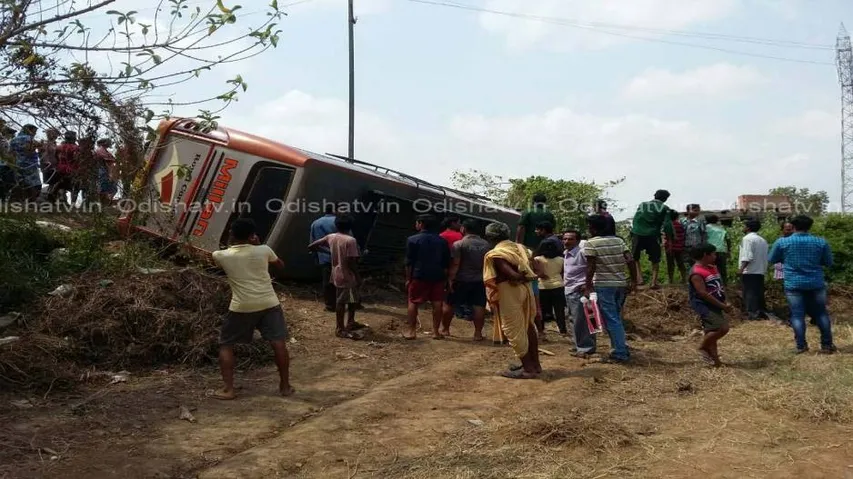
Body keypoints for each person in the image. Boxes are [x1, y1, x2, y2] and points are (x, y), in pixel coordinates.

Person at [211, 219, 293, 400]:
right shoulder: (264, 250)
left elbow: (221, 265)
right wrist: (257, 246)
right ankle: (285, 386)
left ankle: (229, 389)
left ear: (231, 235)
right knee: (278, 343)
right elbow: (280, 266)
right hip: (269, 303)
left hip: (241, 306)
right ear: (252, 236)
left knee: (226, 344)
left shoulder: (220, 255)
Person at [768, 215, 836, 354]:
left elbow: (771, 259)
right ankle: (827, 345)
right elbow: (829, 262)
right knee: (821, 313)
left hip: (793, 283)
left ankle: (801, 346)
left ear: (793, 226)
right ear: (810, 226)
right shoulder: (820, 242)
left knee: (797, 315)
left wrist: (786, 258)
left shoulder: (782, 242)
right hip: (816, 282)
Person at [483, 222, 541, 379]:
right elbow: (536, 270)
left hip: (509, 291)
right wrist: (525, 277)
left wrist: (517, 277)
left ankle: (528, 369)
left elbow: (512, 275)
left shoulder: (497, 253)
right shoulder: (522, 248)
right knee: (528, 325)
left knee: (513, 329)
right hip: (526, 289)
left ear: (490, 237)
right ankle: (535, 365)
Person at [584, 214, 637, 363]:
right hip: (620, 284)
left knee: (612, 319)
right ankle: (619, 347)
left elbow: (591, 267)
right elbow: (630, 260)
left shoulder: (591, 243)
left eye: (589, 226)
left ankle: (620, 353)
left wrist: (588, 286)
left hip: (603, 285)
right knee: (615, 318)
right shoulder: (619, 241)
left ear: (594, 228)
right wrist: (634, 280)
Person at [308, 214, 365, 339]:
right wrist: (358, 276)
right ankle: (340, 329)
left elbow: (312, 246)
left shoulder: (331, 236)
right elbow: (351, 261)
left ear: (336, 225)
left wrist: (329, 252)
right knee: (341, 301)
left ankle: (351, 322)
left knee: (352, 298)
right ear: (350, 227)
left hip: (336, 272)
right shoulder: (350, 240)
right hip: (347, 275)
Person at [442, 219, 490, 341]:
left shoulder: (459, 244)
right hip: (479, 280)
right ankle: (478, 334)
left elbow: (456, 264)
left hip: (461, 279)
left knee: (450, 304)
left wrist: (450, 279)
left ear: (463, 229)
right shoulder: (486, 245)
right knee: (479, 306)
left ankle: (445, 329)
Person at [405, 214, 451, 340]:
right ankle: (436, 332)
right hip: (438, 276)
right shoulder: (442, 241)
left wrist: (408, 279)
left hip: (418, 275)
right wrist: (446, 279)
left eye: (417, 222)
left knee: (413, 302)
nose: (416, 225)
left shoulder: (412, 239)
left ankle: (411, 331)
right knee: (437, 303)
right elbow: (446, 263)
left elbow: (409, 262)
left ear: (421, 224)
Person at [688, 243, 732, 367]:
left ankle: (715, 361)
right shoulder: (696, 272)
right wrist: (722, 306)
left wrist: (726, 300)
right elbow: (703, 293)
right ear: (704, 255)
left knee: (711, 331)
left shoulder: (712, 268)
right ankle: (703, 347)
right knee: (721, 328)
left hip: (717, 302)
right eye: (713, 254)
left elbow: (720, 285)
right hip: (704, 305)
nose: (715, 256)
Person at [630, 189, 674, 289]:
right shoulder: (665, 208)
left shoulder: (643, 205)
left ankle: (639, 279)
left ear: (654, 195)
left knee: (635, 257)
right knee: (655, 259)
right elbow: (668, 225)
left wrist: (635, 231)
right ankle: (653, 282)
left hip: (637, 233)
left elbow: (636, 219)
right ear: (665, 199)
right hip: (652, 234)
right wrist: (670, 240)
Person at [563, 230, 594, 357]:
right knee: (574, 319)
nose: (566, 241)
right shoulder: (566, 253)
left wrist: (588, 286)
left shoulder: (582, 252)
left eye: (570, 239)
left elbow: (592, 267)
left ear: (577, 241)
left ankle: (585, 347)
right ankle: (580, 345)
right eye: (565, 239)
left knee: (582, 320)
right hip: (569, 290)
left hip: (579, 290)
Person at [534, 239, 567, 336]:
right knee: (559, 310)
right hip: (558, 286)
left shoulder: (537, 259)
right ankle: (562, 330)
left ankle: (541, 329)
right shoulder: (561, 259)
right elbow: (563, 272)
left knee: (542, 309)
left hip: (542, 287)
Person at [738, 219, 769, 320]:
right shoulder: (762, 240)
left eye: (744, 226)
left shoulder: (747, 239)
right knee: (758, 293)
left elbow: (747, 256)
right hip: (760, 270)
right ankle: (760, 312)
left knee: (749, 293)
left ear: (748, 228)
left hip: (750, 270)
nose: (743, 228)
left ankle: (753, 315)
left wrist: (741, 269)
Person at [310, 205, 338, 312]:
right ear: (334, 210)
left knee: (328, 282)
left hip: (324, 257)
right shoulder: (339, 222)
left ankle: (330, 305)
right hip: (340, 256)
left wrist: (315, 256)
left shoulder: (316, 223)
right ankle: (350, 303)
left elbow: (312, 242)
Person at [10, 124, 41, 201]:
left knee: (21, 183)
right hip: (29, 165)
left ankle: (18, 200)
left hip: (17, 164)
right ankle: (32, 202)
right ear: (28, 130)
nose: (35, 134)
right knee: (35, 185)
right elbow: (36, 148)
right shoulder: (29, 139)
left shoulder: (13, 140)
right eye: (34, 131)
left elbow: (11, 153)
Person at [55, 131, 80, 206]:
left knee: (62, 185)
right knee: (75, 187)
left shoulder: (59, 147)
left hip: (61, 168)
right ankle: (72, 204)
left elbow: (56, 157)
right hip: (73, 169)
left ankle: (62, 200)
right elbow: (77, 158)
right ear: (74, 138)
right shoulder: (76, 148)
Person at [705, 215, 731, 285]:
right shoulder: (722, 228)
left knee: (709, 268)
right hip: (722, 250)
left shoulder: (706, 227)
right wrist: (729, 250)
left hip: (710, 251)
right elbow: (728, 239)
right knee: (722, 269)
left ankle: (710, 283)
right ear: (717, 221)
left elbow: (703, 238)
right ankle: (724, 284)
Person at [663, 210, 687, 284]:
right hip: (679, 247)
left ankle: (670, 280)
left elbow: (667, 236)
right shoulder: (680, 225)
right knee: (680, 263)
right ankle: (684, 279)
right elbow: (683, 235)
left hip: (670, 248)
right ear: (677, 217)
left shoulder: (667, 225)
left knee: (670, 264)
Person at [95, 138, 118, 205]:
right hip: (103, 171)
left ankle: (107, 202)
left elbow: (112, 160)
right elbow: (108, 162)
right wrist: (110, 173)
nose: (110, 144)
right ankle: (103, 203)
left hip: (106, 171)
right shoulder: (100, 150)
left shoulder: (105, 151)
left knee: (113, 188)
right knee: (104, 188)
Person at [39, 129, 60, 201]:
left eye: (56, 135)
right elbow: (41, 154)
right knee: (51, 180)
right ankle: (48, 195)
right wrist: (44, 163)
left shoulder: (54, 144)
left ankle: (50, 195)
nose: (55, 136)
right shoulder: (45, 143)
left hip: (54, 165)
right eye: (54, 134)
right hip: (47, 164)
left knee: (55, 181)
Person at [0, 125, 15, 201]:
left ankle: (3, 197)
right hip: (4, 164)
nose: (12, 135)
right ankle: (3, 197)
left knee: (8, 182)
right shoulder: (4, 141)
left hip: (6, 164)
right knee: (8, 182)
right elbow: (4, 153)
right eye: (11, 133)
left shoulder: (7, 141)